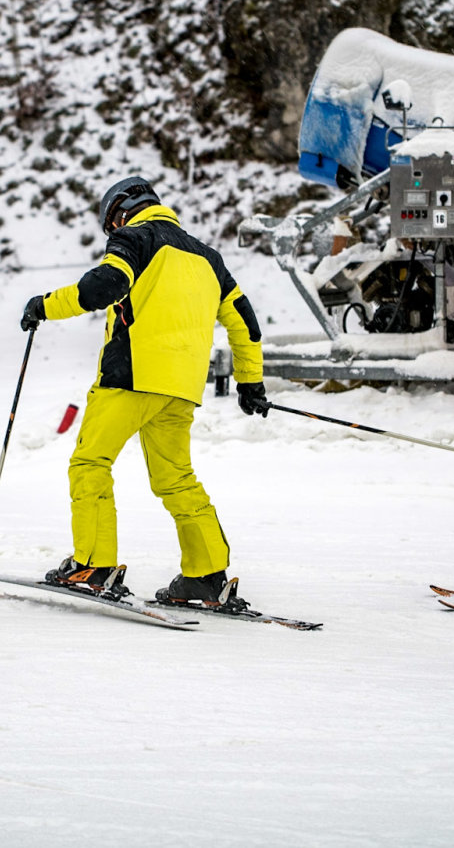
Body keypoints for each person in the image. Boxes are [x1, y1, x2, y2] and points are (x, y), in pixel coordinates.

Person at [18, 176, 268, 609]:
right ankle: (206, 576)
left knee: (90, 463)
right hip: (182, 388)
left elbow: (104, 287)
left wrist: (43, 305)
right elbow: (244, 320)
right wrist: (251, 381)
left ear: (119, 213)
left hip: (130, 377)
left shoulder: (136, 238)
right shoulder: (209, 257)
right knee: (176, 479)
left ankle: (93, 566)